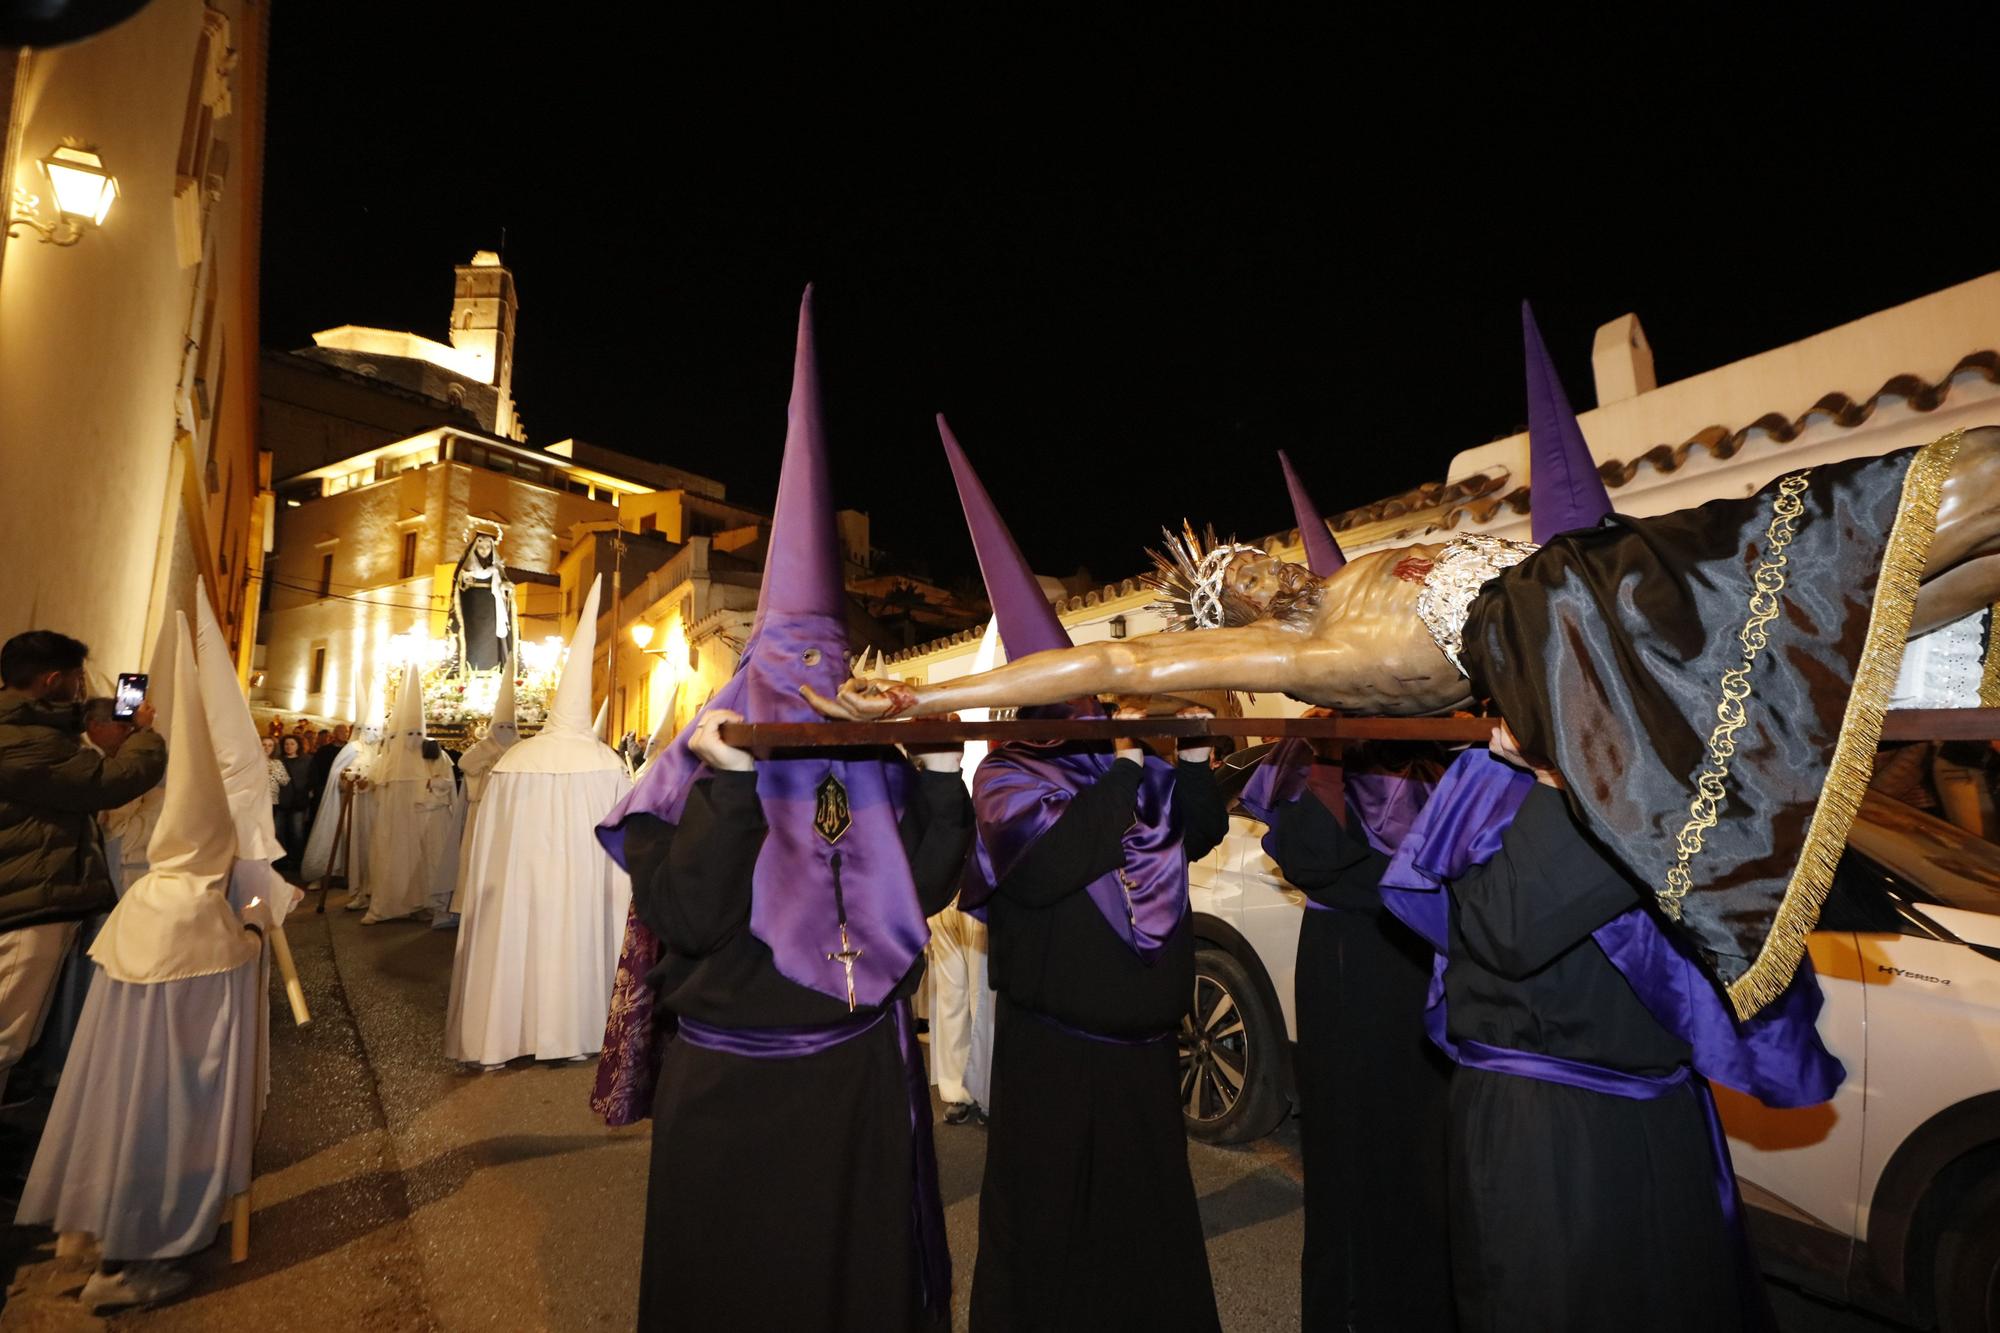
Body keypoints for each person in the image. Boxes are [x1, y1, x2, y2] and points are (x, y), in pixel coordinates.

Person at [807, 346, 2000, 1020]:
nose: (1253, 577)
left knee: (1856, 572)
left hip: (1592, 581)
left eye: (1245, 558)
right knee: (1877, 526)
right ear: (1229, 625)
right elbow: (1120, 658)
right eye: (1227, 588)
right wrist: (921, 704)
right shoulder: (1304, 656)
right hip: (1566, 632)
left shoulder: (1360, 566)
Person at [596, 289, 972, 1332]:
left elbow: (927, 887)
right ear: (750, 666)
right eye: (789, 662)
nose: (811, 681)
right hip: (733, 1091)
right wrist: (725, 777)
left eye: (828, 658)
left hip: (855, 1085)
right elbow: (689, 915)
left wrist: (936, 774)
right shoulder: (689, 768)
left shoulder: (864, 752)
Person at [930, 419, 1224, 1333]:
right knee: (1051, 1247)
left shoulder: (1115, 758)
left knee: (1144, 1250)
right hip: (1055, 1059)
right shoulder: (1010, 773)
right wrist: (1135, 762)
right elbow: (1055, 863)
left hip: (1142, 1063)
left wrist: (1193, 750)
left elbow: (1201, 830)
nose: (1086, 700)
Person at [1239, 452, 1456, 1333]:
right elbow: (1307, 854)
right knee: (1350, 1151)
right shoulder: (1309, 743)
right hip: (1346, 969)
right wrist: (1329, 755)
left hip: (1428, 964)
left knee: (1426, 1151)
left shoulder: (1442, 729)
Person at [16, 615, 268, 1315]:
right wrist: (249, 939)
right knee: (161, 1118)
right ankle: (140, 1255)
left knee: (116, 1105)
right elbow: (211, 1047)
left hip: (130, 1034)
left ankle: (98, 1234)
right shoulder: (199, 914)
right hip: (169, 1093)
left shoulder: (144, 901)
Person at [445, 578, 631, 1065]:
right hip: (584, 882)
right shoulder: (608, 763)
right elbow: (623, 836)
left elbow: (490, 841)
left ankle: (504, 1036)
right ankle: (576, 1032)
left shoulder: (515, 760)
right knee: (574, 942)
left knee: (520, 942)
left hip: (521, 879)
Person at [0, 632, 165, 1109]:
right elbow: (105, 782)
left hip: (34, 891)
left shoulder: (29, 725)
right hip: (28, 901)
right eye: (76, 680)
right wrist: (144, 735)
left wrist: (107, 715)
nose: (81, 688)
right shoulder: (24, 742)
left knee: (17, 1035)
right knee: (7, 1037)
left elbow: (72, 724)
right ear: (52, 680)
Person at [358, 663, 461, 924]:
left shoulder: (435, 754)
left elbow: (447, 782)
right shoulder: (390, 757)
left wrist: (432, 786)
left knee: (424, 860)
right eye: (409, 733)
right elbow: (373, 779)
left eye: (419, 733)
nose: (414, 738)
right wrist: (361, 782)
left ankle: (425, 903)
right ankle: (388, 906)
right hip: (395, 822)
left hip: (425, 819)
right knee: (394, 861)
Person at [447, 527, 515, 673]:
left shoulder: (496, 568)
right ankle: (470, 669)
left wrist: (506, 587)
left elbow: (504, 586)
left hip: (492, 608)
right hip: (473, 608)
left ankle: (493, 669)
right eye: (481, 547)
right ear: (475, 548)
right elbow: (459, 587)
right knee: (474, 640)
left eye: (488, 547)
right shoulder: (467, 567)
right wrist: (465, 581)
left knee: (491, 640)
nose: (485, 550)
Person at [275, 734, 313, 873]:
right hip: (281, 801)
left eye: (292, 744)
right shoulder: (278, 761)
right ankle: (282, 860)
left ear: (298, 745)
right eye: (286, 744)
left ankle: (296, 860)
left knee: (297, 832)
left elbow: (310, 778)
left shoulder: (307, 760)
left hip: (298, 802)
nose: (289, 746)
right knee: (279, 832)